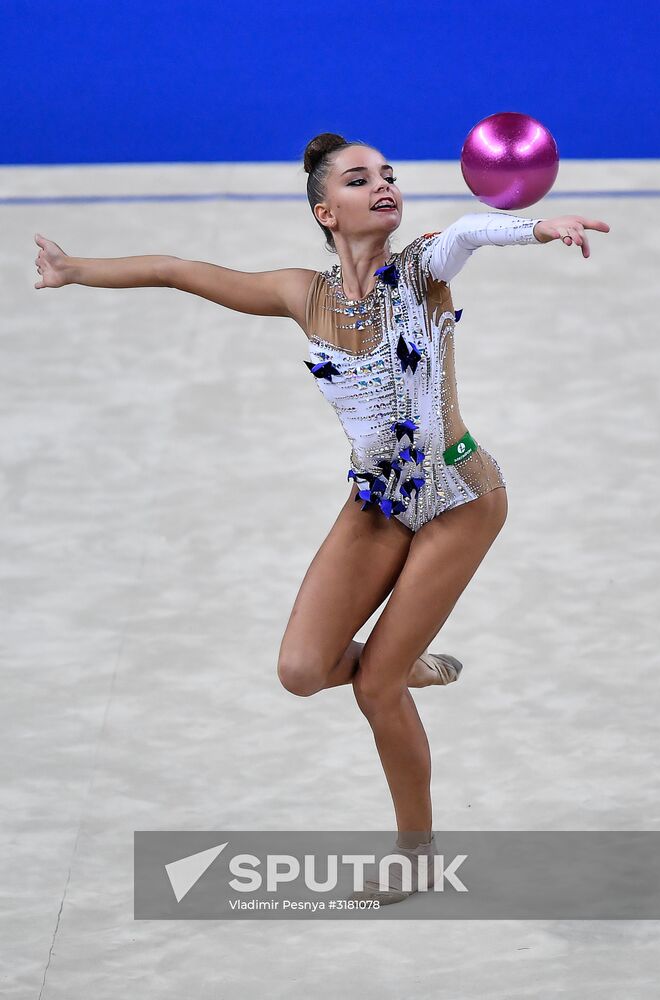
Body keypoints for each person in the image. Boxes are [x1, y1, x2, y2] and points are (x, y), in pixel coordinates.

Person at [33, 131, 610, 904]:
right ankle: (400, 659)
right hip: (374, 505)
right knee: (302, 671)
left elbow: (475, 229)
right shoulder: (299, 295)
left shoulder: (423, 267)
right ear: (324, 210)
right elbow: (180, 272)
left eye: (389, 175)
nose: (383, 186)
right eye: (358, 178)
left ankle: (416, 850)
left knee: (373, 692)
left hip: (459, 501)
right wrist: (75, 271)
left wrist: (541, 227)